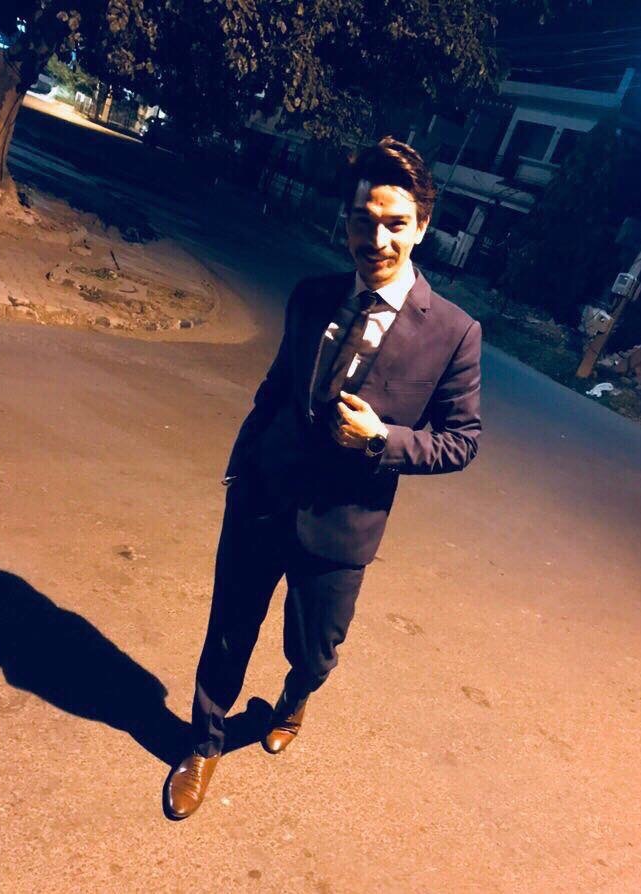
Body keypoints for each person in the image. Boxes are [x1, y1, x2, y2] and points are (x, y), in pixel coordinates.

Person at [165, 136, 482, 819]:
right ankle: (204, 742)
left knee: (313, 651)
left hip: (343, 524)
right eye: (363, 220)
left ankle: (294, 698)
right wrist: (244, 463)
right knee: (228, 632)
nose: (377, 239)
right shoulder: (311, 296)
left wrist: (382, 439)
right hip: (262, 498)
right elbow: (277, 387)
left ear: (422, 226)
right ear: (346, 221)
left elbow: (461, 441)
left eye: (395, 223)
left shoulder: (454, 333)